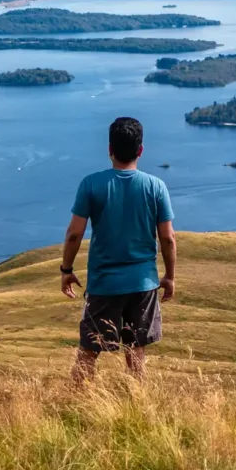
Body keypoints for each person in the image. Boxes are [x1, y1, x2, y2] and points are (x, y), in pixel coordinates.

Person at [60, 116, 176, 383]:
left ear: (109, 149)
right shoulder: (155, 186)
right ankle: (137, 407)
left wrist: (66, 269)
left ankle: (75, 405)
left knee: (88, 351)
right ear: (141, 150)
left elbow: (74, 233)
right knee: (136, 353)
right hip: (143, 283)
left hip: (104, 283)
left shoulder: (91, 184)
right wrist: (169, 276)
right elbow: (168, 238)